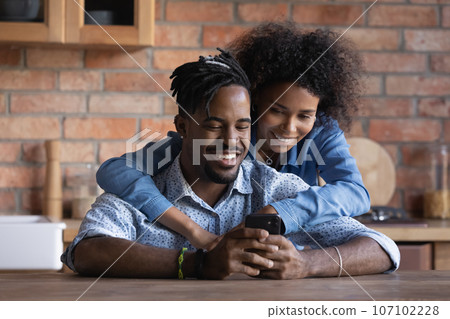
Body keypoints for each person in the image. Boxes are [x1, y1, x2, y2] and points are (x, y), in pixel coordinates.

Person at [62, 51, 399, 280]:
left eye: (241, 125)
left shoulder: (278, 187)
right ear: (182, 127)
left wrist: (306, 263)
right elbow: (85, 251)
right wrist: (197, 262)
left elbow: (383, 248)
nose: (230, 140)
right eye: (212, 124)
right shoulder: (143, 185)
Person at [96, 22, 370, 249]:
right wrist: (188, 228)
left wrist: (284, 212)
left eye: (304, 116)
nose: (289, 127)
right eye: (277, 110)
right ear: (255, 103)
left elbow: (355, 192)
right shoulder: (214, 140)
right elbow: (115, 170)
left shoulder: (323, 134)